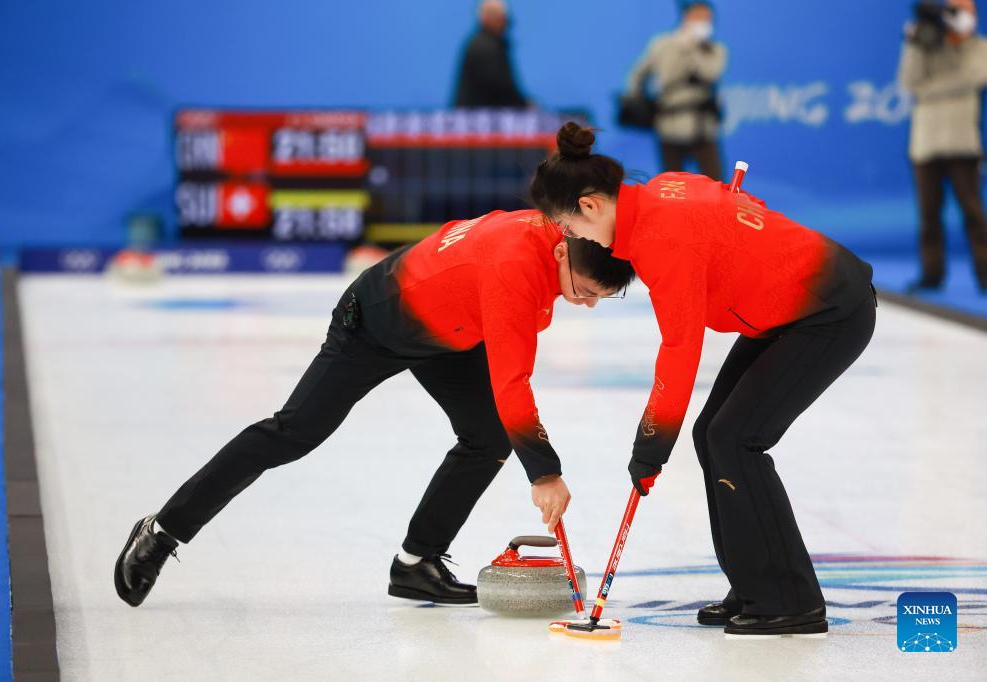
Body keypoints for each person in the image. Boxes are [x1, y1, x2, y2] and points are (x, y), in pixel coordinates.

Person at [114, 208, 635, 608]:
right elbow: (512, 385)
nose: (586, 304)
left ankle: (415, 563)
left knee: (488, 438)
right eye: (585, 292)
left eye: (600, 298)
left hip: (450, 330)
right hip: (374, 322)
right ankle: (162, 531)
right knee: (293, 432)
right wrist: (545, 473)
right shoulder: (515, 268)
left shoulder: (564, 233)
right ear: (562, 253)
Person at [530, 123, 876, 637]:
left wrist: (649, 447)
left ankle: (790, 600)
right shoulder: (656, 196)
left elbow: (680, 349)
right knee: (712, 434)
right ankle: (754, 583)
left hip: (827, 310)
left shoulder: (661, 236)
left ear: (591, 206)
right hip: (782, 308)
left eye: (571, 228)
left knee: (735, 438)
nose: (575, 239)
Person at [898, 0, 987, 293]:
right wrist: (914, 42)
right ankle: (931, 274)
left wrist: (929, 91)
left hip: (963, 145)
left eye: (963, 11)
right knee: (928, 217)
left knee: (973, 213)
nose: (958, 17)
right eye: (951, 10)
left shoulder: (979, 47)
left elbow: (972, 78)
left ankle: (985, 273)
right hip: (926, 145)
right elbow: (909, 82)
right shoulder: (924, 44)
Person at [623, 0, 727, 180]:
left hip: (703, 127)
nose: (704, 23)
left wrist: (691, 48)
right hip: (668, 125)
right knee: (671, 187)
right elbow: (638, 74)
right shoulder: (662, 44)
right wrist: (637, 101)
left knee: (717, 184)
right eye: (699, 17)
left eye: (708, 19)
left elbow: (710, 72)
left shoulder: (715, 49)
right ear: (686, 17)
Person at [452, 0, 529, 108]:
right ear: (485, 19)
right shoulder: (485, 47)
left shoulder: (484, 43)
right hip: (478, 118)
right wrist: (524, 105)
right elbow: (501, 88)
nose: (505, 24)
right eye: (502, 18)